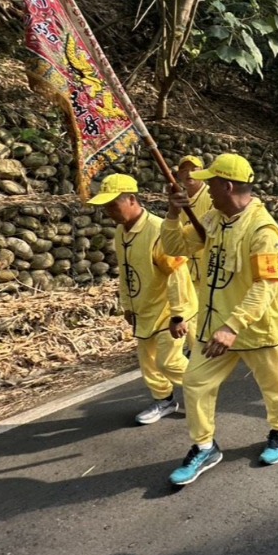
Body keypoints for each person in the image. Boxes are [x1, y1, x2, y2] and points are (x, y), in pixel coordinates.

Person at [160, 153, 278, 485]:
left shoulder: (263, 231)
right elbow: (175, 246)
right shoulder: (213, 219)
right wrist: (174, 213)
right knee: (195, 383)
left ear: (228, 186)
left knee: (272, 385)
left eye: (211, 183)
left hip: (253, 328)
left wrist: (234, 326)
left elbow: (265, 285)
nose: (205, 188)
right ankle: (205, 446)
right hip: (213, 326)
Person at [87, 174, 199, 425]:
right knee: (148, 362)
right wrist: (127, 306)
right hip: (143, 308)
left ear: (131, 199)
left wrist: (178, 315)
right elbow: (126, 271)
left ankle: (203, 389)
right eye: (105, 206)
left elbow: (177, 275)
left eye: (113, 205)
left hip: (169, 309)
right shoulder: (121, 232)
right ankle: (164, 400)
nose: (109, 212)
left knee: (168, 362)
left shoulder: (157, 231)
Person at [175, 155, 213, 280]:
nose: (189, 174)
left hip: (207, 268)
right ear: (179, 175)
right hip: (184, 268)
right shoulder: (179, 200)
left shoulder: (212, 196)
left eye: (193, 170)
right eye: (184, 170)